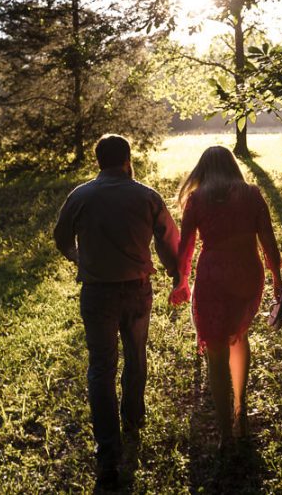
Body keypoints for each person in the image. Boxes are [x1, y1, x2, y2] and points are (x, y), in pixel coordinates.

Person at [53, 134, 180, 490]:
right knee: (136, 356)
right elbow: (170, 239)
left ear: (98, 161)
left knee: (101, 368)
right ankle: (134, 419)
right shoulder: (147, 196)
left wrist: (80, 257)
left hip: (97, 294)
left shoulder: (80, 196)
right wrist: (175, 274)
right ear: (127, 159)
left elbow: (61, 237)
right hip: (138, 291)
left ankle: (108, 451)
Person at [169, 145, 282, 451]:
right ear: (233, 167)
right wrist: (277, 278)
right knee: (238, 337)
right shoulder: (251, 194)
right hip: (247, 271)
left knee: (216, 349)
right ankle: (240, 413)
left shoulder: (197, 199)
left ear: (203, 170)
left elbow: (186, 247)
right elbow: (268, 239)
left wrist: (181, 280)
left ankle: (224, 432)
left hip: (213, 275)